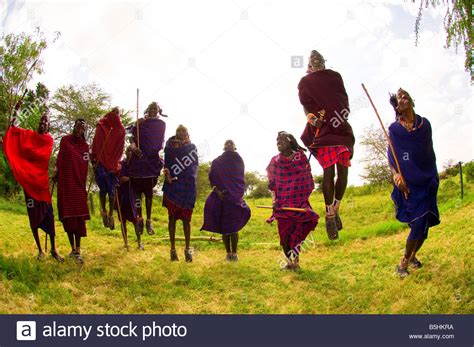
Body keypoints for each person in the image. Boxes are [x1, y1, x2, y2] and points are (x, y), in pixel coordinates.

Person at [298, 50, 355, 240]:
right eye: (313, 59)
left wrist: (343, 115)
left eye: (319, 58)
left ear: (323, 62)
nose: (316, 60)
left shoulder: (335, 76)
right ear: (310, 64)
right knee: (329, 171)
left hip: (340, 126)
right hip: (323, 129)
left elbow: (342, 98)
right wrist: (312, 119)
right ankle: (329, 214)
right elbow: (306, 106)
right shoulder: (305, 83)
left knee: (344, 171)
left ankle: (337, 207)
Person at [388, 88, 440, 278]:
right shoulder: (394, 130)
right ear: (397, 108)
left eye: (405, 95)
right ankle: (403, 263)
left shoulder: (424, 125)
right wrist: (396, 176)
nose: (403, 98)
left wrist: (433, 176)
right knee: (417, 225)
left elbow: (429, 153)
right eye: (399, 98)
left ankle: (413, 256)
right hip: (408, 185)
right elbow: (391, 157)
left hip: (427, 181)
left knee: (424, 228)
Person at [3, 111, 63, 261]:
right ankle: (41, 251)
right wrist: (16, 112)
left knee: (49, 215)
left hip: (42, 186)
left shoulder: (48, 141)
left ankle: (54, 250)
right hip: (29, 185)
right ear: (39, 123)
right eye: (41, 121)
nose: (43, 123)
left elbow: (41, 157)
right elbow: (14, 130)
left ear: (49, 126)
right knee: (33, 217)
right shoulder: (29, 135)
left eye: (46, 122)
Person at [266, 132, 319, 270]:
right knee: (284, 237)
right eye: (277, 140)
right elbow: (272, 185)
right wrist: (274, 202)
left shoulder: (300, 158)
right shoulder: (274, 161)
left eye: (281, 139)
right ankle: (289, 262)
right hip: (282, 205)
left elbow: (307, 181)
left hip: (298, 203)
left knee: (296, 234)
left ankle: (296, 261)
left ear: (290, 141)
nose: (278, 142)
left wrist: (301, 199)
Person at [201, 140, 251, 261]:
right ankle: (227, 253)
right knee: (224, 228)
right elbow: (212, 178)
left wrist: (236, 194)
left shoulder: (239, 161)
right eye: (227, 143)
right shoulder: (217, 162)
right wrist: (217, 191)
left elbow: (240, 179)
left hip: (234, 198)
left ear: (235, 147)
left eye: (231, 143)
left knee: (233, 228)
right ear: (224, 147)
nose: (229, 145)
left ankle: (235, 253)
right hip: (221, 197)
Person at [54, 119, 90, 264]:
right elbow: (60, 158)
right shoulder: (65, 141)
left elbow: (85, 164)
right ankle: (72, 248)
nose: (79, 129)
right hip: (65, 183)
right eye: (77, 126)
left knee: (79, 218)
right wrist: (56, 170)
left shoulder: (85, 147)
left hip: (78, 184)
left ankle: (78, 250)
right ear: (73, 126)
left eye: (82, 127)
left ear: (84, 130)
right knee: (68, 218)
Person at [128, 102, 166, 236]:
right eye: (150, 109)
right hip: (138, 162)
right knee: (137, 194)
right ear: (147, 110)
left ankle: (149, 220)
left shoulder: (161, 125)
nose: (152, 111)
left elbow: (159, 143)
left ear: (158, 111)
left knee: (149, 194)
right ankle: (140, 219)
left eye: (155, 109)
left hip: (151, 163)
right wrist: (134, 148)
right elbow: (131, 136)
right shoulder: (140, 123)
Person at [162, 125, 198, 262]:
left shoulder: (192, 148)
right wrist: (167, 174)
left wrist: (187, 178)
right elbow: (166, 164)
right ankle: (172, 250)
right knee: (171, 219)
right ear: (176, 133)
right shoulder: (169, 148)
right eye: (179, 131)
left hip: (187, 187)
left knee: (186, 220)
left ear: (187, 133)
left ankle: (188, 250)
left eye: (184, 131)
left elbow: (194, 166)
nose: (181, 133)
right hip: (172, 186)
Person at [91, 107, 125, 230]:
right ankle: (103, 211)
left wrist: (116, 162)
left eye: (118, 113)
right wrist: (93, 159)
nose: (116, 115)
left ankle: (111, 214)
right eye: (114, 112)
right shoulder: (101, 126)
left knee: (111, 191)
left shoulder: (121, 130)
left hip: (113, 164)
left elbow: (120, 149)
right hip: (100, 162)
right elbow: (95, 143)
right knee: (103, 189)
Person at [115, 146, 142, 249]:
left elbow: (140, 179)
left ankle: (139, 242)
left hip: (133, 196)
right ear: (126, 153)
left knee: (136, 219)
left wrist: (130, 179)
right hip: (122, 195)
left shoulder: (137, 165)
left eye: (131, 151)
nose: (130, 153)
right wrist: (120, 180)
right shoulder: (121, 165)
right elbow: (116, 178)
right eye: (128, 151)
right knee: (123, 220)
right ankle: (125, 242)